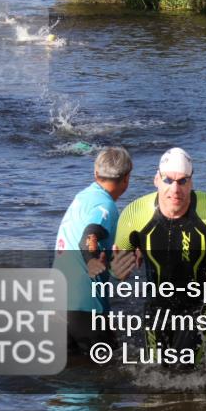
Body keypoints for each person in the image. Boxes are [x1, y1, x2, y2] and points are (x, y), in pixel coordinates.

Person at [112, 147, 206, 363]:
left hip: (203, 303)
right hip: (157, 303)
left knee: (186, 367)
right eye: (168, 180)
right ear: (156, 180)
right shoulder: (134, 215)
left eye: (182, 181)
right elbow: (117, 266)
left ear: (191, 183)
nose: (175, 189)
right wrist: (116, 272)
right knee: (156, 369)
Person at [52, 146, 135, 355]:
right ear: (126, 179)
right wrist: (91, 260)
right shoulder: (105, 206)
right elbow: (89, 235)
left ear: (95, 173)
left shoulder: (83, 197)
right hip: (85, 306)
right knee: (110, 367)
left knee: (71, 370)